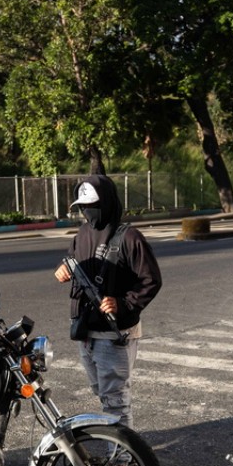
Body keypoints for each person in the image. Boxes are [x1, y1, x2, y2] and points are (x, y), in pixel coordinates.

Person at [54, 174, 162, 430]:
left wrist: (123, 303)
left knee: (116, 400)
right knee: (102, 393)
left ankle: (123, 462)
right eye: (83, 207)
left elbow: (151, 280)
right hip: (85, 330)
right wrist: (62, 269)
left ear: (108, 203)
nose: (87, 212)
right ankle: (119, 447)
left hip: (115, 333)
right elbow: (72, 260)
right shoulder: (81, 234)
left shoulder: (129, 237)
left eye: (92, 206)